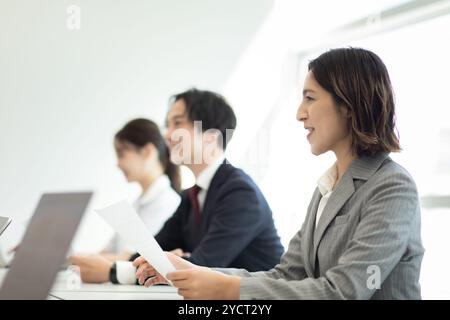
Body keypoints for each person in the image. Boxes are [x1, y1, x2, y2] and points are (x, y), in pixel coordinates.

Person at [133, 48, 425, 300]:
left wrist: (227, 289)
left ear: (347, 105)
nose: (300, 113)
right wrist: (192, 271)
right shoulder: (328, 185)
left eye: (310, 98)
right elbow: (287, 274)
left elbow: (344, 291)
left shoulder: (392, 186)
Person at [69, 118, 181, 284]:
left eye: (122, 154)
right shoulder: (137, 204)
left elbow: (130, 257)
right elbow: (106, 251)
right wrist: (67, 258)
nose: (118, 164)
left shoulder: (168, 203)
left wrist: (72, 259)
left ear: (148, 151)